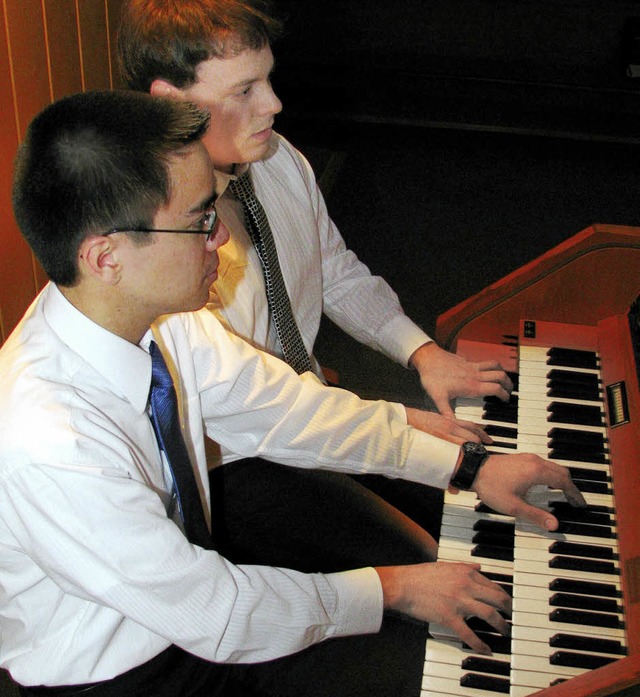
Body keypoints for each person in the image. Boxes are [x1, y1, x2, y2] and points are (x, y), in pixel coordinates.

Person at [1, 90, 584, 697]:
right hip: (127, 673)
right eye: (202, 219)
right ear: (106, 257)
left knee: (452, 613)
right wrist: (396, 588)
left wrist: (466, 465)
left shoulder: (160, 316)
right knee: (429, 657)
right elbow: (218, 613)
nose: (223, 240)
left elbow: (287, 411)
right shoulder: (49, 443)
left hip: (190, 602)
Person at [116, 0, 514, 559]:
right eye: (245, 90)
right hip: (235, 462)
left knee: (474, 508)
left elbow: (334, 270)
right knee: (430, 554)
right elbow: (257, 406)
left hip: (312, 405)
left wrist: (423, 353)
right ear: (171, 102)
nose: (274, 104)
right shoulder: (159, 238)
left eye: (269, 80)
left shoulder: (278, 160)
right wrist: (406, 430)